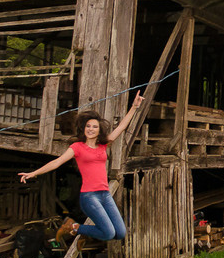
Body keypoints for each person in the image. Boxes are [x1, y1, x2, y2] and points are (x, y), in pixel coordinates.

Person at [18, 93, 143, 243]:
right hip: (89, 196)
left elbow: (122, 127)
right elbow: (57, 162)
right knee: (109, 233)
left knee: (120, 233)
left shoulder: (103, 145)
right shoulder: (77, 147)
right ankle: (73, 227)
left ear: (99, 130)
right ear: (83, 129)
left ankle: (78, 230)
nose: (91, 129)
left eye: (94, 127)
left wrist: (134, 107)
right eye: (88, 126)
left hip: (105, 195)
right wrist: (34, 173)